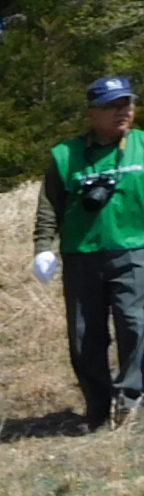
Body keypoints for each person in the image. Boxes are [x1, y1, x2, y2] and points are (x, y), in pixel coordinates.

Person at [33, 74, 144, 429]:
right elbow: (50, 204)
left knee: (136, 326)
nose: (122, 112)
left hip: (134, 250)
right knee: (85, 337)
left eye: (127, 104)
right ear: (92, 112)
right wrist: (42, 248)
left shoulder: (142, 145)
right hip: (81, 254)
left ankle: (129, 400)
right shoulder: (66, 155)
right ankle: (97, 408)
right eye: (112, 106)